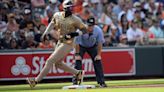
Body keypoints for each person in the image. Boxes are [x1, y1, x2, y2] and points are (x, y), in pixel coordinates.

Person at [27, 0, 87, 88]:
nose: (71, 9)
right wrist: (45, 33)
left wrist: (74, 34)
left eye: (71, 7)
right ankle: (78, 73)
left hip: (68, 43)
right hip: (60, 41)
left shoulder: (75, 19)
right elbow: (52, 23)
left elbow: (84, 30)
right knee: (57, 63)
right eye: (69, 7)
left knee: (50, 61)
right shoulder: (57, 15)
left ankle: (35, 81)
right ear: (64, 8)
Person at [72, 17, 107, 88]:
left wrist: (98, 55)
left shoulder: (98, 31)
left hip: (92, 46)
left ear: (94, 25)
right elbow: (76, 43)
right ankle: (76, 82)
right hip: (81, 46)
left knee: (98, 61)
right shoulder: (81, 29)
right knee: (78, 61)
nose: (90, 27)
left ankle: (101, 82)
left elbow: (100, 43)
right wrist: (77, 54)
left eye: (91, 26)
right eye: (88, 25)